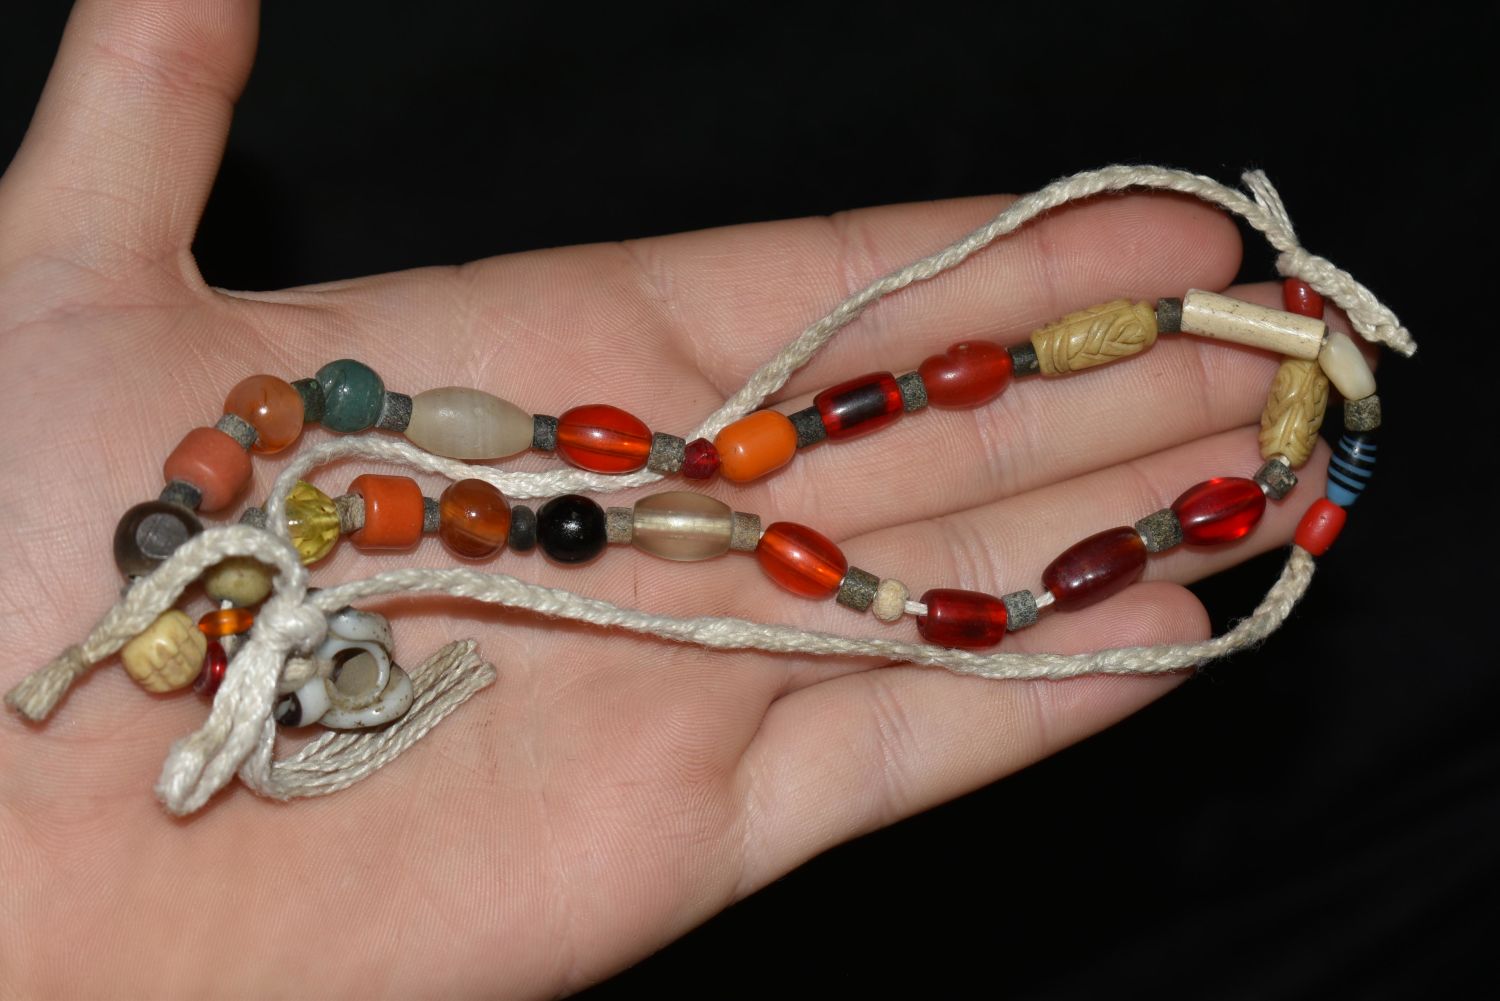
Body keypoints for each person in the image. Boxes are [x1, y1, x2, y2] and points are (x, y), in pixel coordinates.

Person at [0, 1, 1344, 995]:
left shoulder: (265, 523)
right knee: (690, 482)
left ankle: (1254, 365)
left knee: (714, 467)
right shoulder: (264, 566)